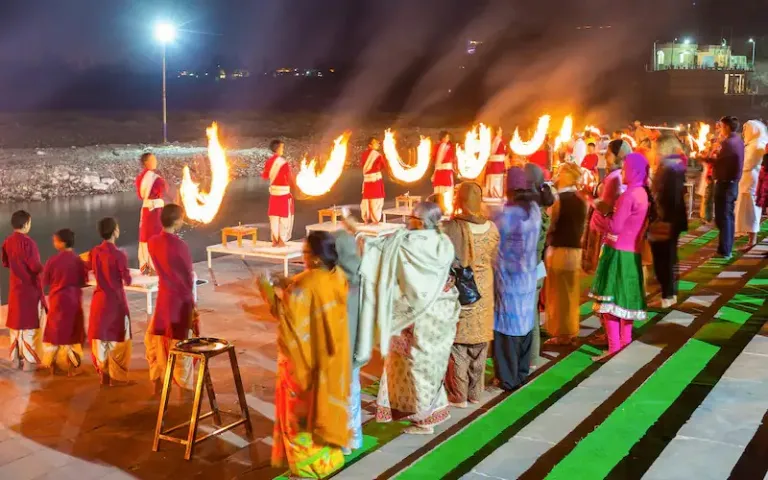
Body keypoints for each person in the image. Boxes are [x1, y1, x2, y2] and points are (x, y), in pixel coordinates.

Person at [357, 202, 459, 434]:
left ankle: (424, 420)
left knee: (417, 366)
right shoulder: (443, 241)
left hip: (418, 315)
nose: (408, 221)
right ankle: (434, 407)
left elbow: (378, 251)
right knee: (432, 365)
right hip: (442, 310)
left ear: (421, 222)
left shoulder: (409, 243)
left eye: (412, 217)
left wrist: (360, 237)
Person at [265, 231, 350, 478]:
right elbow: (312, 286)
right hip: (332, 359)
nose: (302, 257)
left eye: (304, 253)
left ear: (314, 258)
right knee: (325, 410)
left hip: (303, 363)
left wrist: (267, 290)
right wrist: (287, 282)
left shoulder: (304, 286)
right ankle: (330, 460)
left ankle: (308, 469)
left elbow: (287, 318)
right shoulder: (337, 276)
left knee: (300, 418)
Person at [443, 182, 500, 407]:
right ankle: (476, 393)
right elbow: (494, 255)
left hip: (463, 290)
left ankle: (459, 395)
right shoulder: (492, 227)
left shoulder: (453, 227)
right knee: (479, 343)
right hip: (485, 288)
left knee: (459, 345)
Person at [589, 153, 651, 361]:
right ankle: (625, 343)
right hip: (632, 253)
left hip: (616, 253)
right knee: (625, 303)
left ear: (633, 171)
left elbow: (615, 227)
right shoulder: (643, 193)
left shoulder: (628, 195)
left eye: (624, 169)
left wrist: (599, 215)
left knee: (610, 305)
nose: (622, 173)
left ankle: (614, 347)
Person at [492, 167, 542, 390]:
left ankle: (508, 377)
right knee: (525, 324)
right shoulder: (534, 210)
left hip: (509, 280)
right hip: (528, 276)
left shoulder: (507, 215)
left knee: (506, 328)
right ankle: (521, 373)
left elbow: (496, 245)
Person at [145, 204, 199, 394]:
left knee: (158, 341)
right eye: (181, 218)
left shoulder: (152, 242)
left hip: (163, 298)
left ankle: (158, 382)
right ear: (176, 221)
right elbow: (187, 276)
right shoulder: (180, 246)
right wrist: (192, 304)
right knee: (181, 345)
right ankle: (184, 391)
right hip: (180, 300)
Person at [545, 163, 587, 345]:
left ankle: (561, 333)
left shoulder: (559, 199)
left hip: (560, 248)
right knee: (571, 292)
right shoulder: (581, 199)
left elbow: (551, 225)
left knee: (558, 293)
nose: (557, 176)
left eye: (560, 173)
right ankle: (570, 330)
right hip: (576, 249)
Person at [87, 217, 133, 385]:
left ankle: (104, 374)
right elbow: (127, 279)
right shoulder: (119, 254)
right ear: (115, 231)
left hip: (99, 300)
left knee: (101, 338)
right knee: (118, 341)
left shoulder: (95, 252)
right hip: (116, 302)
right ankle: (117, 377)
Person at [334, 210, 364, 454]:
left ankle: (340, 440)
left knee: (337, 395)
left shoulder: (332, 282)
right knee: (353, 391)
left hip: (336, 349)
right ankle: (353, 438)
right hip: (356, 348)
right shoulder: (362, 277)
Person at [41, 229, 88, 376]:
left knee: (54, 334)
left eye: (55, 240)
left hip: (57, 301)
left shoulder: (52, 261)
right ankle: (71, 368)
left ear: (62, 243)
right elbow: (83, 280)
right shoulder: (78, 261)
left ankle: (52, 365)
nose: (54, 242)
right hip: (73, 301)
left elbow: (45, 281)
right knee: (73, 334)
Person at [2, 210, 44, 371]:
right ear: (26, 224)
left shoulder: (7, 242)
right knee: (29, 326)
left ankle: (15, 359)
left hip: (15, 288)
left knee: (16, 324)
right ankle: (28, 362)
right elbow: (34, 266)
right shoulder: (29, 243)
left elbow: (6, 262)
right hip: (29, 289)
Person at [582, 139, 632, 274]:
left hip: (604, 228)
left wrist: (587, 196)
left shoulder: (615, 177)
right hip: (609, 227)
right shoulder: (620, 174)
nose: (605, 157)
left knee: (603, 272)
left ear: (618, 156)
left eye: (609, 154)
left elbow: (605, 206)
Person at [524, 163, 555, 368]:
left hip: (528, 268)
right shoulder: (542, 210)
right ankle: (533, 357)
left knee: (526, 317)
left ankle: (528, 358)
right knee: (532, 315)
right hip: (537, 267)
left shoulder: (531, 211)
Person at [649, 157, 688, 308]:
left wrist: (661, 218)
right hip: (671, 223)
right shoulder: (673, 167)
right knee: (668, 259)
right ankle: (668, 294)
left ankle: (668, 296)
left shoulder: (669, 170)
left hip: (667, 223)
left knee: (664, 260)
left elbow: (667, 200)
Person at [712, 116, 745, 258]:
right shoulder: (737, 140)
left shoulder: (729, 143)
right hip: (731, 184)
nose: (719, 129)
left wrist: (705, 158)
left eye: (721, 126)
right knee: (726, 218)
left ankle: (725, 250)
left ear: (726, 127)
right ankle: (724, 248)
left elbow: (718, 161)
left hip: (725, 184)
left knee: (723, 218)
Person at [735, 120, 768, 248]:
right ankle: (748, 236)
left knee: (752, 210)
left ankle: (752, 240)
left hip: (752, 181)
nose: (744, 133)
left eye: (746, 130)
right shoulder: (752, 144)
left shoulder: (756, 145)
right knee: (746, 209)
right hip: (747, 181)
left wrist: (736, 164)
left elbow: (748, 164)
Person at [136, 153, 167, 275]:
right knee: (154, 236)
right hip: (154, 211)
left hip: (147, 209)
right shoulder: (155, 178)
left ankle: (147, 266)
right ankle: (155, 267)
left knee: (146, 236)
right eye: (153, 159)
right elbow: (163, 190)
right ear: (147, 162)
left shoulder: (141, 177)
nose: (155, 161)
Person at [262, 140, 295, 247]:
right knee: (284, 217)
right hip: (284, 193)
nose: (282, 150)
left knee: (274, 217)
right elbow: (289, 177)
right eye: (282, 148)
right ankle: (281, 240)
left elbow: (265, 176)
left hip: (273, 193)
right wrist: (296, 187)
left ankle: (275, 240)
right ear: (278, 148)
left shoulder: (268, 162)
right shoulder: (283, 162)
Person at [360, 137, 387, 224]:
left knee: (367, 199)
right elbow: (383, 166)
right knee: (376, 199)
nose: (378, 144)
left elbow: (362, 165)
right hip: (375, 181)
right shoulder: (377, 155)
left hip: (367, 181)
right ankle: (376, 220)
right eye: (375, 142)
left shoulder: (364, 155)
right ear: (370, 145)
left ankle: (366, 219)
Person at [432, 131, 456, 208]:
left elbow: (453, 157)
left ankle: (447, 205)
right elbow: (433, 157)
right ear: (442, 138)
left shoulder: (450, 146)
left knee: (447, 188)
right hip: (439, 171)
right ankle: (438, 205)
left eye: (448, 137)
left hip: (447, 171)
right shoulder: (436, 147)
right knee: (439, 188)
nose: (447, 139)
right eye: (446, 137)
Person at [485, 127, 508, 198]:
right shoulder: (497, 141)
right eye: (500, 130)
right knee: (496, 179)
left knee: (495, 178)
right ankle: (495, 193)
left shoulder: (495, 141)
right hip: (496, 164)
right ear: (497, 131)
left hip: (496, 164)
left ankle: (493, 193)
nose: (501, 132)